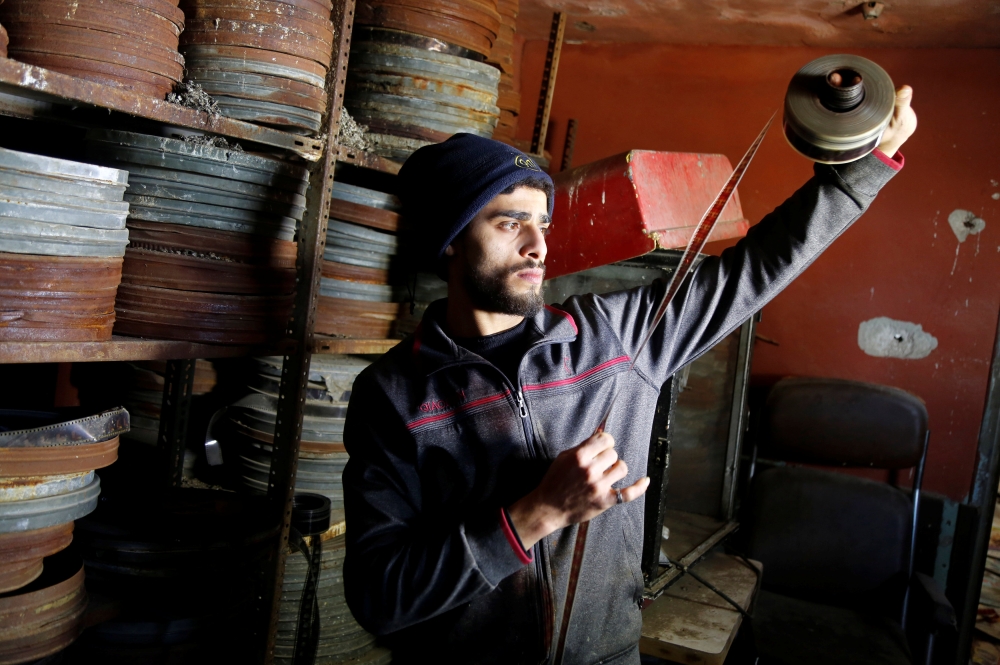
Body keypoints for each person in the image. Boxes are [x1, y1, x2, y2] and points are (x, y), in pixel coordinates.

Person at [343, 87, 918, 664]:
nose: (539, 244)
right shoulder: (394, 394)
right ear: (450, 239)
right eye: (509, 223)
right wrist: (538, 513)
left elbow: (758, 266)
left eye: (542, 223)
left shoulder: (615, 338)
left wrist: (862, 171)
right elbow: (379, 596)